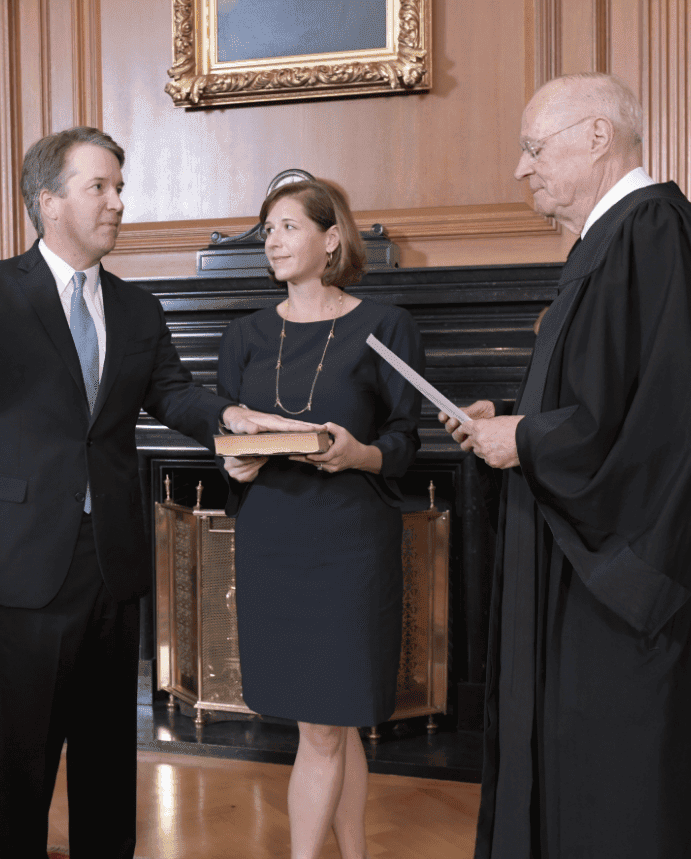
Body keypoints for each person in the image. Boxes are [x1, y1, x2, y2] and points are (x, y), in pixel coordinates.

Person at [0, 129, 313, 858]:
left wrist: (231, 418)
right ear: (50, 201)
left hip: (112, 557)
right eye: (100, 187)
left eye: (120, 187)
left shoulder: (137, 307)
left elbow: (173, 393)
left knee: (108, 757)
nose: (118, 202)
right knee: (24, 757)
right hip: (22, 559)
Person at [442, 72, 691, 858]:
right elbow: (602, 396)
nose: (521, 168)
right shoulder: (614, 242)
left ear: (596, 136)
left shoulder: (655, 233)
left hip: (626, 589)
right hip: (586, 569)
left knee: (623, 781)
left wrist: (530, 442)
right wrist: (512, 420)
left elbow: (673, 426)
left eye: (533, 148)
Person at [217, 179, 422, 859]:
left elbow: (405, 441)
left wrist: (358, 454)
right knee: (333, 722)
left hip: (349, 543)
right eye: (267, 230)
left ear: (331, 238)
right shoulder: (243, 335)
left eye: (288, 227)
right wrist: (236, 466)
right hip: (271, 540)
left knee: (328, 724)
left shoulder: (386, 326)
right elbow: (228, 438)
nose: (272, 241)